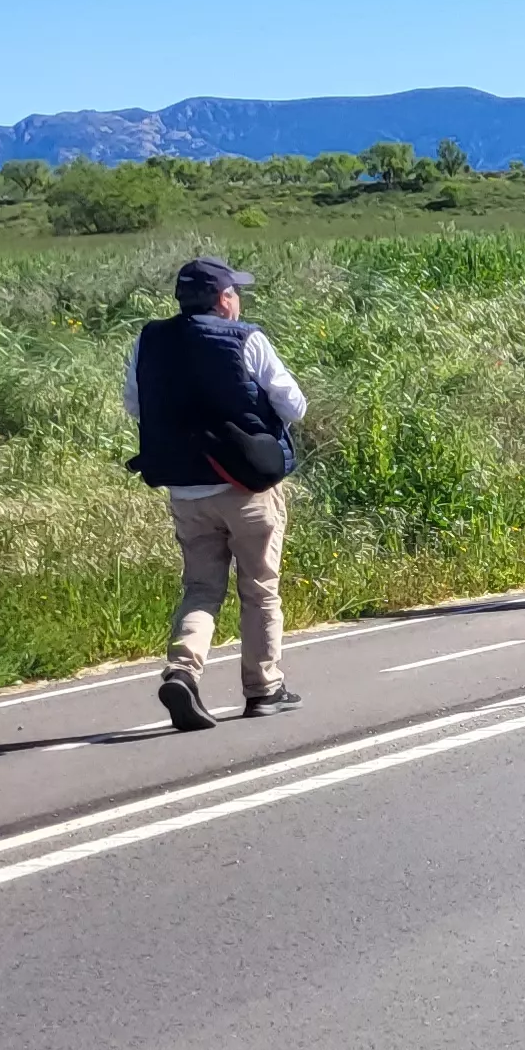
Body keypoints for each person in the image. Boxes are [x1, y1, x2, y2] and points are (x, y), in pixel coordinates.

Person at [125, 257, 308, 731]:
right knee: (260, 590)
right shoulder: (246, 338)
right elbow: (295, 405)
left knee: (202, 588)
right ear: (224, 298)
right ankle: (264, 688)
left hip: (185, 491)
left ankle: (183, 670)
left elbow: (134, 405)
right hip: (246, 487)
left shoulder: (150, 340)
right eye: (235, 292)